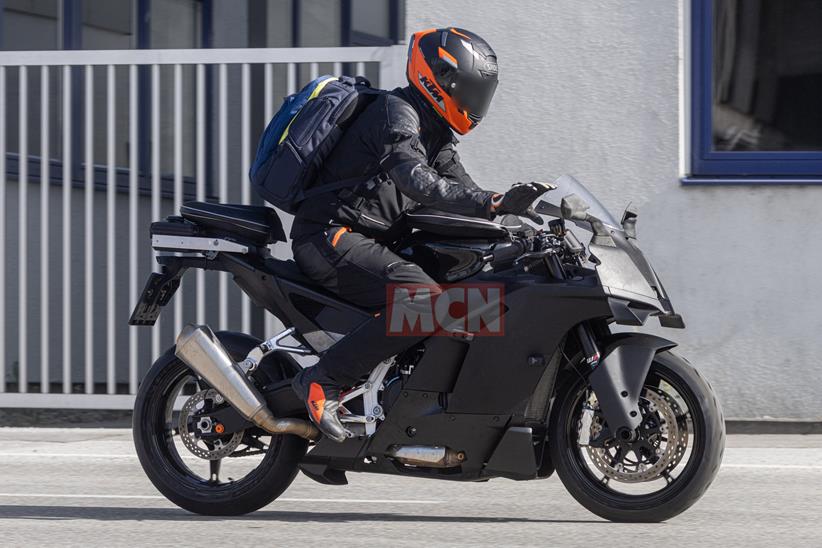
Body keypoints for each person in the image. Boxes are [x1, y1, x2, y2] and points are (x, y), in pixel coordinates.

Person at [290, 27, 551, 441]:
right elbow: (415, 180)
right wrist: (496, 203)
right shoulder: (396, 114)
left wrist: (522, 232)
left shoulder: (437, 135)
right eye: (468, 89)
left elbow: (464, 193)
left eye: (480, 92)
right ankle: (322, 380)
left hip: (373, 242)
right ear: (440, 79)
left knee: (477, 302)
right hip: (329, 236)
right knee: (425, 302)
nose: (474, 101)